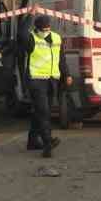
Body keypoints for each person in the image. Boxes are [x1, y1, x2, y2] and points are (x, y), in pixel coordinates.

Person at [26, 15, 70, 157]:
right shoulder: (31, 38)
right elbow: (20, 33)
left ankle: (32, 141)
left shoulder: (56, 38)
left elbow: (61, 58)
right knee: (43, 111)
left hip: (52, 80)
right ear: (36, 28)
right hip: (36, 80)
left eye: (47, 28)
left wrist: (67, 74)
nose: (46, 31)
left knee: (41, 111)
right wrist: (29, 15)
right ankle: (48, 143)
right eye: (43, 29)